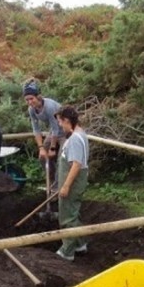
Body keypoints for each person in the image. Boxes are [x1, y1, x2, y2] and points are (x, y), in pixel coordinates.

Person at [53, 106, 89, 261]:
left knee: (67, 216)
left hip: (73, 182)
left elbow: (76, 164)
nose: (60, 125)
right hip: (74, 181)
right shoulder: (79, 134)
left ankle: (67, 251)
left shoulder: (74, 139)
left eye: (61, 122)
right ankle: (80, 244)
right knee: (73, 212)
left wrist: (66, 185)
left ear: (67, 120)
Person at [23, 78, 63, 193]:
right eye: (27, 100)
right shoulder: (31, 110)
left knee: (61, 159)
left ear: (38, 97)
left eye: (31, 99)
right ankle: (51, 183)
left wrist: (53, 148)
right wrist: (41, 148)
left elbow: (56, 128)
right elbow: (36, 129)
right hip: (53, 132)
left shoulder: (49, 106)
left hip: (65, 132)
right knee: (42, 157)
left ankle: (57, 189)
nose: (30, 102)